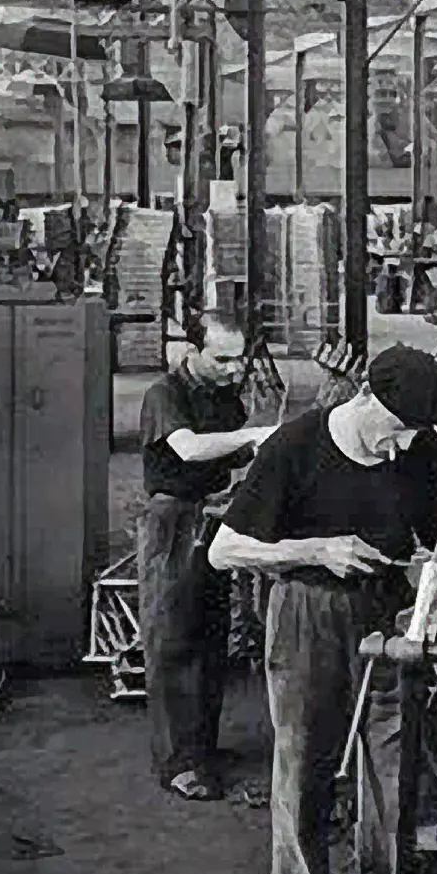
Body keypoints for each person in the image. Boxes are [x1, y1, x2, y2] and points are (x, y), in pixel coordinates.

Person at [207, 346, 437, 874]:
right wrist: (315, 549)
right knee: (303, 780)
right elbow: (223, 550)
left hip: (391, 618)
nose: (401, 449)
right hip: (309, 618)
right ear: (364, 399)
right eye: (392, 432)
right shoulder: (295, 447)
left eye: (414, 438)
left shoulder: (415, 446)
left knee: (412, 778)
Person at [137, 319, 278, 801]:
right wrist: (260, 434)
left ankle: (202, 748)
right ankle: (178, 763)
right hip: (172, 524)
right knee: (173, 641)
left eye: (239, 358)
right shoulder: (164, 394)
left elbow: (236, 455)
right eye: (222, 359)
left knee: (211, 639)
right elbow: (190, 448)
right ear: (192, 351)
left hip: (214, 518)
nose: (234, 369)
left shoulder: (223, 395)